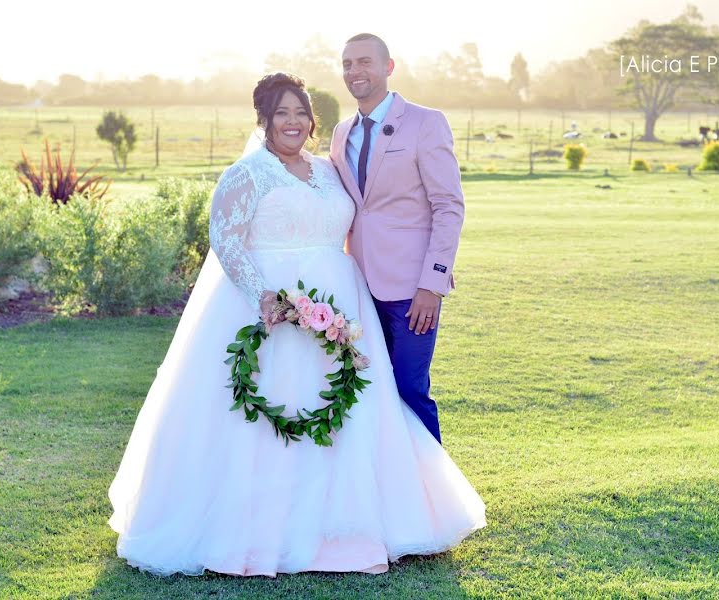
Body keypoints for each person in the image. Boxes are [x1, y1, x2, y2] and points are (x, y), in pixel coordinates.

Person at [108, 73, 485, 577]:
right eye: (281, 113)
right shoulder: (247, 173)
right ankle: (262, 530)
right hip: (268, 307)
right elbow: (226, 238)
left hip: (343, 304)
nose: (293, 122)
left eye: (301, 113)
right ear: (263, 120)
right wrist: (263, 295)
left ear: (312, 122)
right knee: (268, 413)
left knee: (354, 413)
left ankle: (350, 527)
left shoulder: (329, 169)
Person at [330, 33, 464, 444]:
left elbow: (449, 206)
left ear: (388, 67)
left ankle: (434, 499)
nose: (356, 71)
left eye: (365, 62)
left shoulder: (426, 122)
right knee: (373, 395)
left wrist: (432, 284)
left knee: (409, 390)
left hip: (412, 291)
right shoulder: (340, 133)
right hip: (358, 287)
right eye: (348, 63)